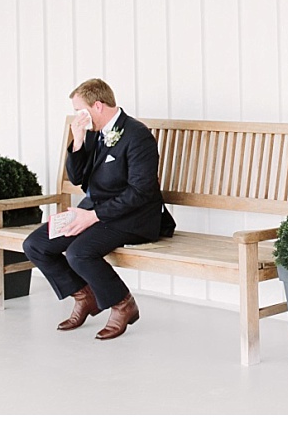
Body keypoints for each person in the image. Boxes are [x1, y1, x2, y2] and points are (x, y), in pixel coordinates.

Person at [23, 78, 174, 340]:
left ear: (98, 106)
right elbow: (79, 177)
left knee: (79, 253)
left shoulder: (138, 136)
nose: (77, 117)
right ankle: (85, 297)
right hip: (95, 211)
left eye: (79, 110)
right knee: (36, 244)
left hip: (134, 217)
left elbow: (141, 193)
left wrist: (93, 216)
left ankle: (123, 304)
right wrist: (78, 140)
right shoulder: (94, 132)